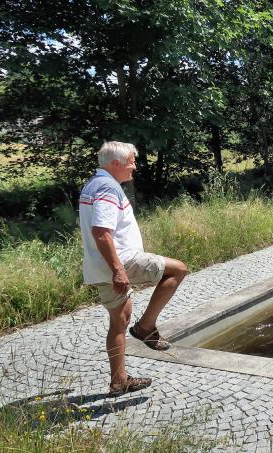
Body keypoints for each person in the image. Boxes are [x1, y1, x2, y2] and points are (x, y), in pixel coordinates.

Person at [79, 141, 188, 397]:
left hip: (99, 266)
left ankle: (119, 381)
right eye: (131, 162)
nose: (135, 167)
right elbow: (101, 232)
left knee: (119, 322)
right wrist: (119, 270)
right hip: (123, 261)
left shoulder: (93, 184)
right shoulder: (107, 187)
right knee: (178, 270)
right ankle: (146, 327)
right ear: (116, 163)